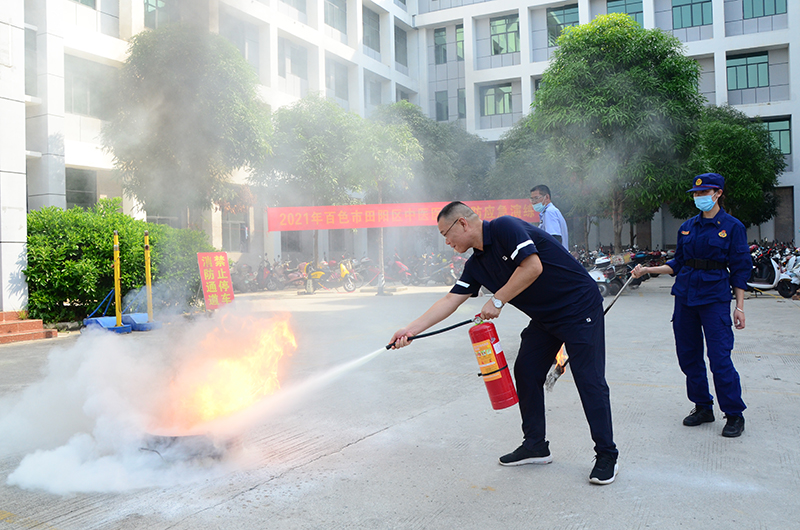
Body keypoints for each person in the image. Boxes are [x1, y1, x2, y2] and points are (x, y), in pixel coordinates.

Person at [390, 202, 619, 485]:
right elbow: (450, 299)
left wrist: (498, 300)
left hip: (578, 306)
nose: (446, 242)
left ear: (462, 223)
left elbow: (532, 266)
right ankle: (535, 445)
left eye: (445, 234)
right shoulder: (476, 265)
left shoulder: (505, 227)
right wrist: (410, 330)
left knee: (589, 379)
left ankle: (607, 455)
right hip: (545, 317)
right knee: (526, 371)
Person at [631, 173, 750, 438]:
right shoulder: (687, 227)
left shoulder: (733, 227)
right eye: (696, 194)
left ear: (718, 193)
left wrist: (739, 306)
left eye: (704, 193)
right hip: (685, 297)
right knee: (688, 355)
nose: (699, 197)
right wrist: (647, 270)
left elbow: (740, 269)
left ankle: (734, 413)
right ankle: (703, 406)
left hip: (714, 298)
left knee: (719, 358)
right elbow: (678, 263)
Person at [530, 185, 569, 250]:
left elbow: (554, 238)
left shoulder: (549, 212)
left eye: (536, 198)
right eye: (532, 199)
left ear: (547, 197)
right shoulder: (548, 212)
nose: (534, 202)